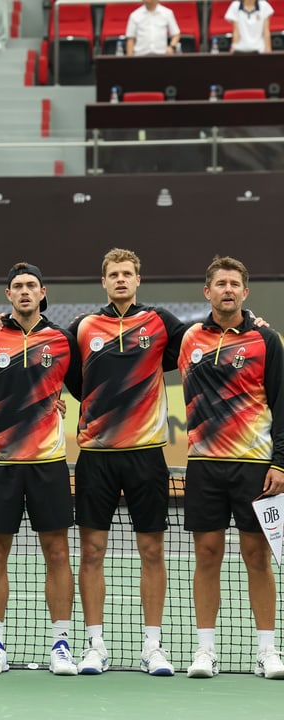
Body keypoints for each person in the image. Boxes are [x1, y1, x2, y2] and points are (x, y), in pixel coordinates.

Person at [67, 248, 184, 676]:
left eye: (127, 273)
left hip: (146, 456)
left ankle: (152, 646)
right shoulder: (83, 327)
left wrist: (256, 323)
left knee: (152, 550)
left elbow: (198, 343)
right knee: (92, 551)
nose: (120, 280)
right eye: (113, 274)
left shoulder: (160, 323)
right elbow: (65, 371)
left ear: (139, 279)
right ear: (103, 282)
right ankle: (95, 645)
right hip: (95, 456)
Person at [0, 262, 82, 676]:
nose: (24, 291)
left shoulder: (61, 340)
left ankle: (61, 645)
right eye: (17, 286)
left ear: (42, 292)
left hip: (48, 463)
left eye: (31, 286)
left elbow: (83, 389)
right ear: (7, 294)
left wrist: (62, 402)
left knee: (56, 553)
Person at [180, 256, 284, 680]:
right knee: (207, 556)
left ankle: (267, 651)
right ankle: (206, 651)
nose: (227, 289)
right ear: (207, 292)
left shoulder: (266, 339)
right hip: (204, 464)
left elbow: (281, 403)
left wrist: (280, 462)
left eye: (234, 284)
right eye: (219, 283)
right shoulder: (188, 338)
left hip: (254, 466)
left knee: (257, 556)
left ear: (245, 292)